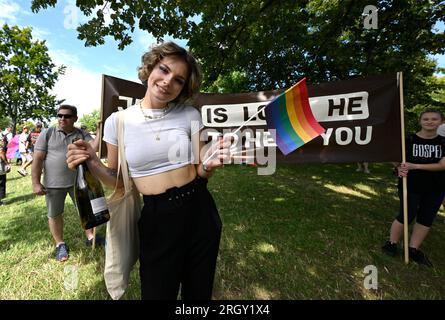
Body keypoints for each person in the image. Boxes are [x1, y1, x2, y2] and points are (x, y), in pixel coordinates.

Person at [66, 42, 230, 300]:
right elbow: (119, 183)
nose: (167, 82)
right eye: (164, 70)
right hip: (157, 217)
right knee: (156, 291)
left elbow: (201, 170)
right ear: (150, 67)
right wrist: (93, 161)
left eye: (178, 80)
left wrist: (208, 164)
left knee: (198, 294)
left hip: (200, 209)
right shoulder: (117, 122)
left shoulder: (189, 114)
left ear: (183, 88)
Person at [32, 105, 105, 262]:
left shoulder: (81, 134)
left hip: (78, 183)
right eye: (60, 115)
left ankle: (91, 237)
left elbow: (94, 147)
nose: (62, 118)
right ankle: (60, 244)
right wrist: (36, 183)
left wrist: (100, 129)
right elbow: (37, 159)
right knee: (55, 214)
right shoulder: (48, 133)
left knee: (85, 210)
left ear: (75, 118)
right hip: (53, 184)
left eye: (67, 116)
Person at [382, 110, 445, 267]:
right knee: (406, 214)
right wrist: (398, 168)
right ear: (420, 121)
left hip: (436, 187)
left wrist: (414, 165)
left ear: (441, 122)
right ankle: (392, 243)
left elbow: (442, 165)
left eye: (434, 119)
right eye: (426, 118)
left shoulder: (444, 142)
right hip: (410, 185)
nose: (430, 121)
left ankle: (413, 249)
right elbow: (392, 156)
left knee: (426, 217)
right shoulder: (408, 139)